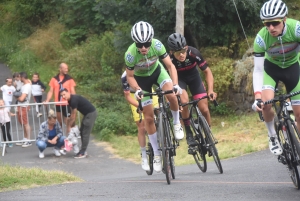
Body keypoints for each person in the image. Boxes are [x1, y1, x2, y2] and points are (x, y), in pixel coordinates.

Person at [125, 21, 184, 172]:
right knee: (149, 118)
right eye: (140, 44)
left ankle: (177, 123)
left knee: (171, 94)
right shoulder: (130, 54)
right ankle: (157, 154)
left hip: (158, 72)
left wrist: (175, 84)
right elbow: (130, 76)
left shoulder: (157, 45)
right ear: (135, 43)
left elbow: (170, 66)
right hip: (142, 80)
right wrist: (137, 89)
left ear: (151, 40)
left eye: (146, 43)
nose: (143, 47)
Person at [252, 0, 300, 155]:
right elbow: (258, 70)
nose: (271, 27)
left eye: (275, 23)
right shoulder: (261, 38)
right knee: (266, 105)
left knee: (299, 114)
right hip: (271, 70)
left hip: (293, 67)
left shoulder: (296, 29)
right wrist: (257, 96)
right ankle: (272, 135)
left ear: (284, 19)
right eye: (267, 24)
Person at [167, 33, 217, 147]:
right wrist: (173, 101)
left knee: (204, 109)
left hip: (194, 78)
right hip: (179, 80)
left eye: (183, 51)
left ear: (187, 47)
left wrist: (210, 90)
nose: (181, 55)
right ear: (171, 52)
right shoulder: (169, 60)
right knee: (184, 102)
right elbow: (166, 82)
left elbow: (207, 72)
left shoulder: (193, 53)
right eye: (177, 53)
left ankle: (208, 134)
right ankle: (189, 132)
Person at [121, 70, 159, 171]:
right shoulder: (125, 77)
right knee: (141, 126)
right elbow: (128, 97)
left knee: (159, 111)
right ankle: (144, 156)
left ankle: (163, 137)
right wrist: (140, 106)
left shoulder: (146, 67)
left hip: (147, 91)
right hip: (135, 96)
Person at [60, 88, 97, 159]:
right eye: (62, 96)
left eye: (64, 94)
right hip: (86, 114)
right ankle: (83, 150)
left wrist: (69, 127)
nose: (63, 97)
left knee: (85, 133)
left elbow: (74, 116)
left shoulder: (74, 100)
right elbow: (71, 113)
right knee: (82, 131)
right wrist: (69, 123)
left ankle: (83, 152)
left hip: (91, 114)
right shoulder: (70, 100)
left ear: (68, 92)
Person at [44, 63, 76, 130]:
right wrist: (47, 100)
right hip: (58, 103)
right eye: (65, 68)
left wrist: (75, 101)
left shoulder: (70, 79)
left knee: (68, 121)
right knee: (59, 122)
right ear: (60, 69)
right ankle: (60, 137)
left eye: (67, 68)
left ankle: (69, 138)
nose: (67, 70)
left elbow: (73, 91)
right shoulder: (54, 79)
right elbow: (51, 91)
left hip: (67, 103)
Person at [15, 72, 32, 147]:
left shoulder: (27, 86)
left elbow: (22, 98)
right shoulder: (23, 85)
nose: (19, 79)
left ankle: (28, 140)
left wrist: (16, 97)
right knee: (21, 122)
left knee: (25, 123)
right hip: (20, 106)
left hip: (24, 106)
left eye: (20, 77)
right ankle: (25, 138)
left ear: (22, 77)